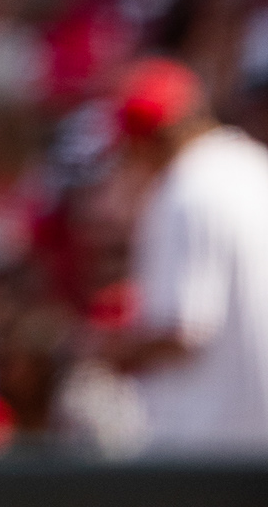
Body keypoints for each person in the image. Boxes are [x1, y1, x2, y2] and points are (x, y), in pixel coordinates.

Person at [100, 56, 268, 454]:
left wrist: (108, 351)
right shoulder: (255, 168)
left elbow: (184, 330)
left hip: (213, 447)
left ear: (146, 142)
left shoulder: (186, 189)